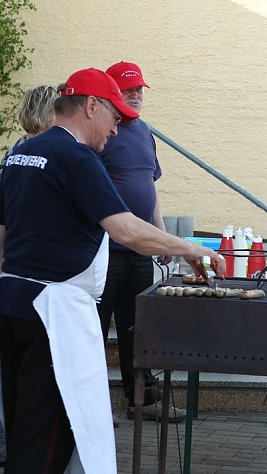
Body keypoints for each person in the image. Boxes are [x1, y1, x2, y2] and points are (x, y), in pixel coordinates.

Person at [0, 67, 225, 474]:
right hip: (52, 313)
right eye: (114, 115)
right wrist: (190, 248)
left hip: (15, 304)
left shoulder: (23, 153)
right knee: (43, 436)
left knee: (38, 433)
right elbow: (127, 230)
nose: (116, 129)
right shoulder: (77, 157)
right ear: (90, 106)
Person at [98, 61, 185, 424]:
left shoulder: (144, 131)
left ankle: (143, 400)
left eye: (138, 90)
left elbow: (149, 187)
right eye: (127, 89)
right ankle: (90, 406)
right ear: (112, 93)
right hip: (104, 251)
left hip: (139, 251)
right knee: (95, 329)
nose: (135, 95)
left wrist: (160, 235)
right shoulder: (103, 131)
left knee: (138, 330)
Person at [0, 85, 60, 467]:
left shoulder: (15, 151)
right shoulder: (40, 155)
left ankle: (1, 443)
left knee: (8, 368)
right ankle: (6, 444)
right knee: (16, 370)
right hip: (25, 268)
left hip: (11, 264)